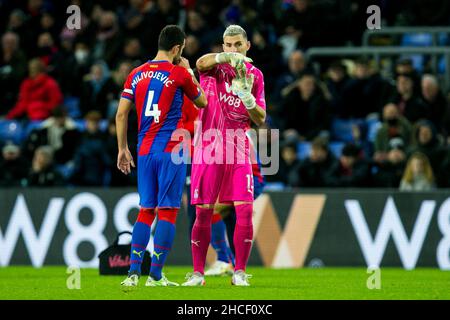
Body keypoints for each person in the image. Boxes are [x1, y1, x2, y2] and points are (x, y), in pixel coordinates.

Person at [117, 25, 206, 287]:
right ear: (177, 48)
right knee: (167, 210)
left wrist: (123, 148)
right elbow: (202, 102)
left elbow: (121, 114)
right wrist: (190, 71)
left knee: (145, 210)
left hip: (144, 151)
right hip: (172, 151)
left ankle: (133, 273)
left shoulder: (136, 73)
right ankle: (155, 274)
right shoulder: (179, 73)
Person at [183, 24, 266, 287]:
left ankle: (239, 272)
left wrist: (247, 98)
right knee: (203, 212)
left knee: (245, 210)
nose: (233, 49)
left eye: (237, 45)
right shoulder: (213, 67)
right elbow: (200, 61)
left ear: (247, 46)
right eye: (227, 45)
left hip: (238, 146)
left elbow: (261, 118)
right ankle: (198, 274)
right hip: (208, 146)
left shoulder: (256, 75)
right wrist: (226, 57)